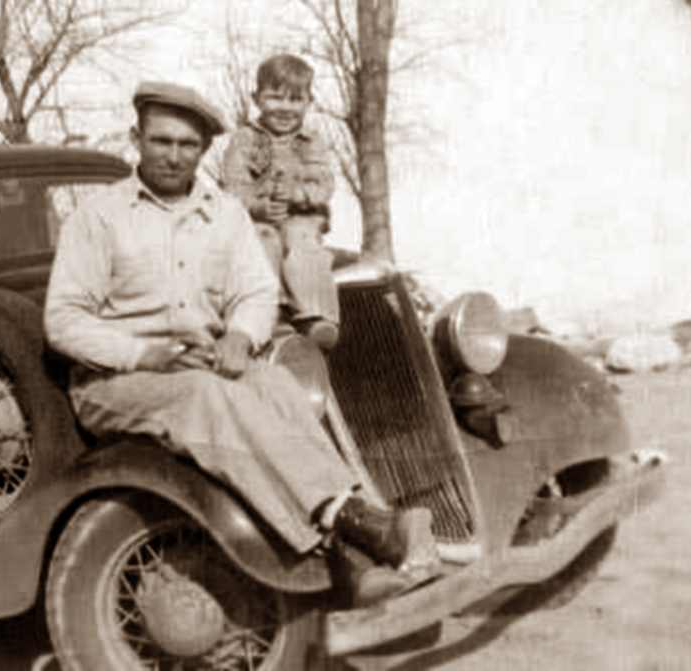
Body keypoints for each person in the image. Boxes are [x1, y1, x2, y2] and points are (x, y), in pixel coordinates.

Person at [44, 80, 439, 606]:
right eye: (161, 141)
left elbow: (256, 290)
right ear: (136, 138)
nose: (174, 156)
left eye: (188, 146)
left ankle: (351, 557)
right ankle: (361, 524)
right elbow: (64, 320)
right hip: (117, 382)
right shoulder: (97, 218)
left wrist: (240, 335)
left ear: (204, 151)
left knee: (276, 384)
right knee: (207, 398)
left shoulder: (225, 213)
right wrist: (143, 353)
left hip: (205, 363)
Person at [221, 54, 340, 350]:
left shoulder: (311, 142)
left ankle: (316, 316)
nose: (285, 108)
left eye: (295, 99)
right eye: (275, 98)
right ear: (257, 98)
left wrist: (300, 197)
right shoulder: (245, 139)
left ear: (308, 101)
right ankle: (269, 313)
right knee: (263, 242)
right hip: (259, 219)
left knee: (303, 243)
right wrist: (256, 206)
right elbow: (233, 185)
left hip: (301, 216)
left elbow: (323, 182)